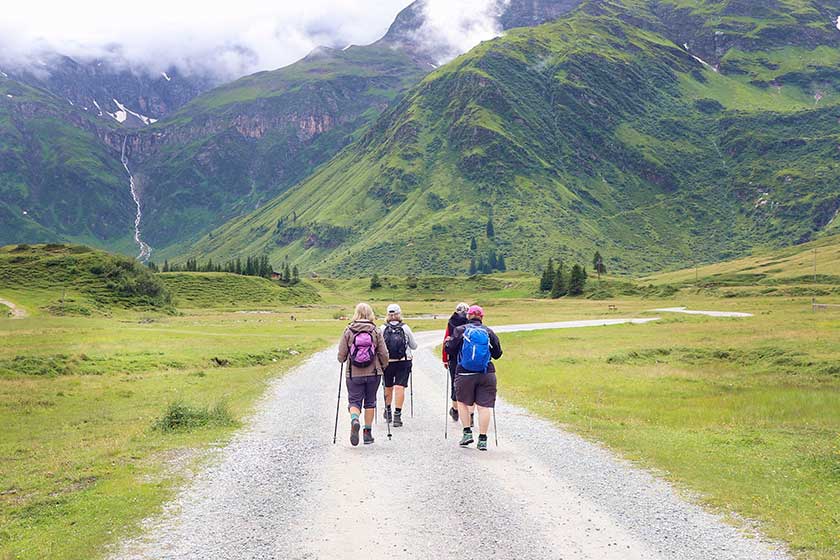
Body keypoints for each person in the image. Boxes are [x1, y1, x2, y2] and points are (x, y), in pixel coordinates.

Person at [445, 305, 502, 451]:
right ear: (482, 317)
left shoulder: (460, 330)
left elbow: (450, 349)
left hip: (465, 373)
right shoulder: (489, 331)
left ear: (468, 316)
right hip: (486, 373)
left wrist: (448, 343)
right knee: (483, 407)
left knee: (463, 403)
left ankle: (467, 433)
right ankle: (482, 439)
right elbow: (497, 354)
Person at [337, 303, 389, 446]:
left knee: (354, 401)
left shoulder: (348, 330)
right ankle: (367, 433)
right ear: (370, 313)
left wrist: (342, 359)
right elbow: (384, 353)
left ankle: (354, 419)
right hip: (373, 373)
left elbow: (341, 355)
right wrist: (384, 366)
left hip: (353, 374)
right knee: (370, 402)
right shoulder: (375, 330)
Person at [381, 303, 418, 427]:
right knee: (400, 387)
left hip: (387, 362)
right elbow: (414, 346)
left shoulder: (382, 328)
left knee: (388, 386)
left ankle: (388, 410)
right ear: (399, 314)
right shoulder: (405, 328)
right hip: (404, 361)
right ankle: (398, 415)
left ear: (388, 315)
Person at [442, 303, 470, 422]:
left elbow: (446, 339)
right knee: (469, 381)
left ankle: (455, 410)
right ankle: (470, 413)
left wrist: (445, 358)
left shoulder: (451, 322)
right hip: (468, 357)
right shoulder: (471, 323)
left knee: (455, 382)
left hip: (453, 357)